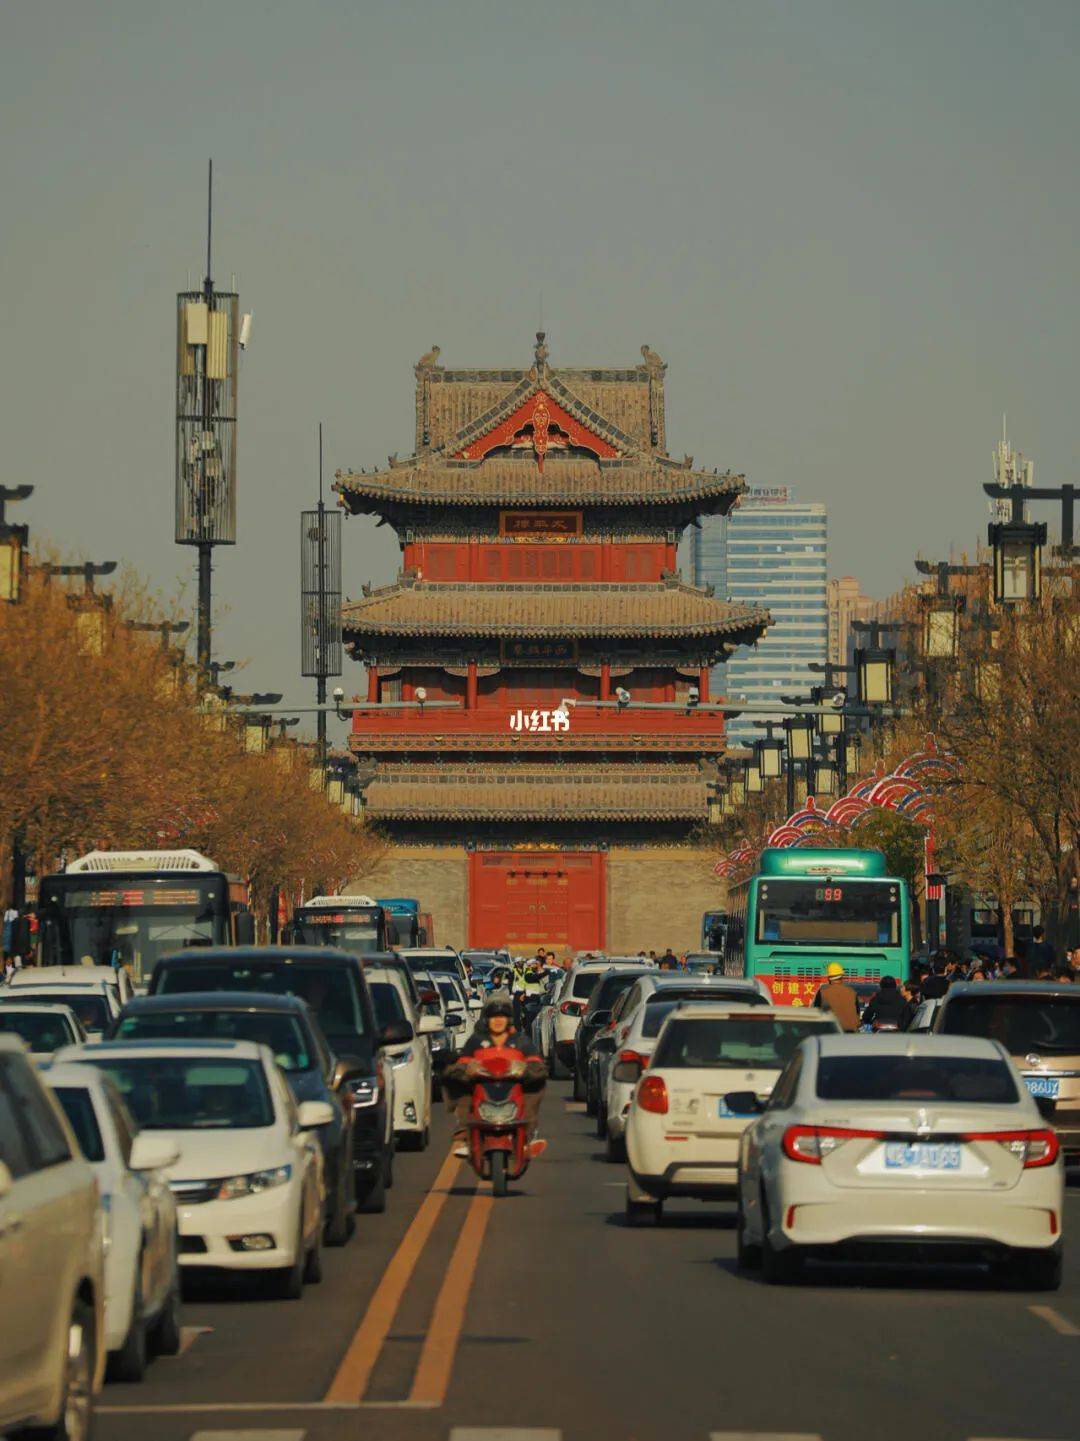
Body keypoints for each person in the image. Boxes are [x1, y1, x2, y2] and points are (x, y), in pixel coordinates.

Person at [444, 997, 547, 1158]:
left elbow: (538, 1067)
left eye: (502, 1016)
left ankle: (527, 1136)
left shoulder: (521, 1042)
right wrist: (468, 1070)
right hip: (482, 1089)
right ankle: (464, 1135)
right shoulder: (476, 1041)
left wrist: (524, 1070)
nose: (498, 1021)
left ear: (509, 1020)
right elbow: (460, 1065)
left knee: (535, 1088)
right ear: (487, 1019)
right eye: (493, 1017)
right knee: (459, 1088)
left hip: (514, 1089)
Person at [815, 962, 860, 1032]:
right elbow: (857, 1013)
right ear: (842, 977)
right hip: (851, 1032)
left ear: (829, 978)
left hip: (831, 1031)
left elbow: (817, 1012)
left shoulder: (822, 992)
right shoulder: (852, 992)